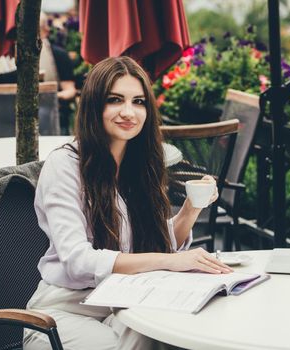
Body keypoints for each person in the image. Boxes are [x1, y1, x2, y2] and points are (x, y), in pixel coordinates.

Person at [24, 56, 233, 350]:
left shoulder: (142, 164)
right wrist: (172, 262)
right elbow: (78, 260)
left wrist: (190, 209)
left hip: (125, 302)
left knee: (171, 332)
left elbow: (154, 246)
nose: (128, 112)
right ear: (94, 105)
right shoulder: (65, 165)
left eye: (138, 102)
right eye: (115, 100)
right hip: (64, 312)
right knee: (138, 341)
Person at [39, 12, 77, 135]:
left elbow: (70, 91)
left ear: (45, 30)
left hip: (52, 118)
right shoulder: (10, 53)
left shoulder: (59, 55)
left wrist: (51, 96)